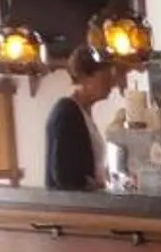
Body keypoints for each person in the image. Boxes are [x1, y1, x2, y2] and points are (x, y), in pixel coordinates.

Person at [43, 43, 122, 190]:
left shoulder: (82, 113)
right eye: (106, 77)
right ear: (85, 77)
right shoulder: (66, 112)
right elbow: (64, 176)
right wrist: (92, 185)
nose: (112, 84)